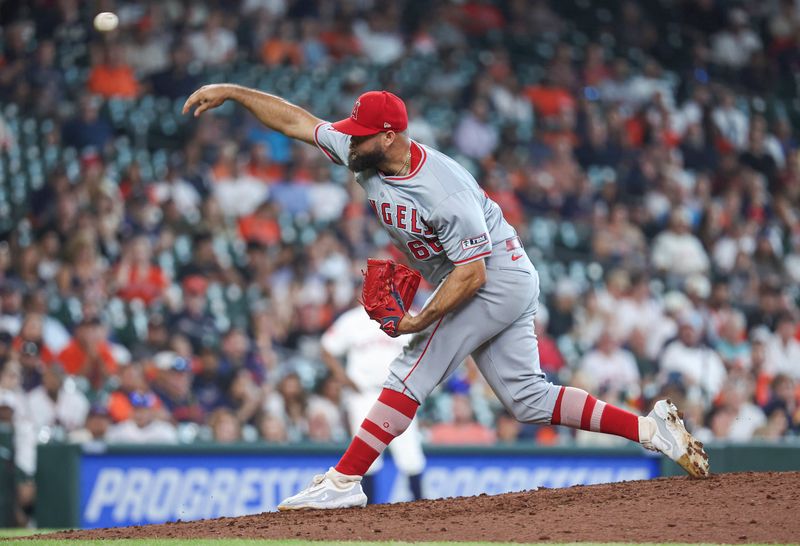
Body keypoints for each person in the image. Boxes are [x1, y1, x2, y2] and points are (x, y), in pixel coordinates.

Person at [183, 84, 709, 510]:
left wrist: (417, 322)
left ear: (389, 136)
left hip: (491, 274)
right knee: (527, 398)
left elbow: (473, 275)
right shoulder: (365, 152)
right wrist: (233, 92)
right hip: (489, 273)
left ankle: (343, 482)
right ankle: (651, 430)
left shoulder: (443, 188)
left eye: (362, 136)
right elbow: (298, 123)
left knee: (411, 369)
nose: (351, 143)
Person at [320, 301, 426, 501]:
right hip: (364, 394)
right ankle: (368, 516)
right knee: (366, 459)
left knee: (410, 454)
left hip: (399, 393)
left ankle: (422, 510)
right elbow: (327, 347)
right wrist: (343, 377)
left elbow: (429, 348)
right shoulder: (352, 319)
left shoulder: (408, 316)